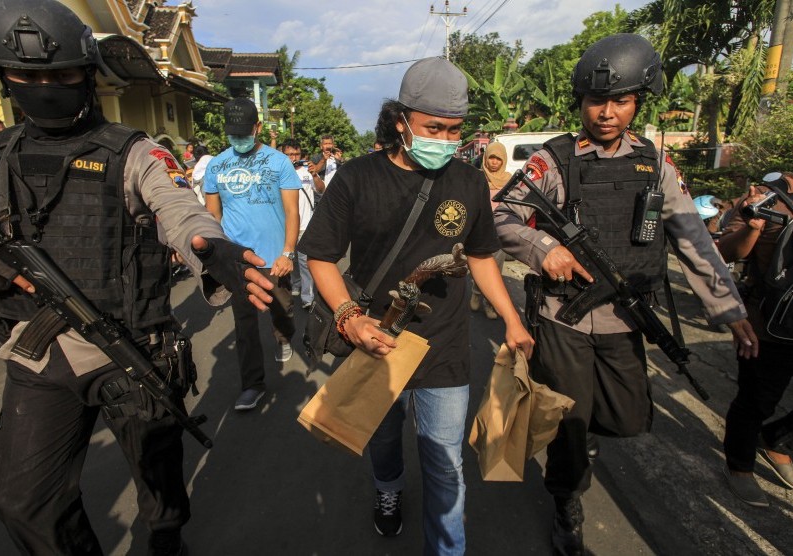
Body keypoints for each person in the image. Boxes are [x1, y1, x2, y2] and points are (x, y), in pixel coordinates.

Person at [0, 1, 273, 554]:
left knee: (158, 482)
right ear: (3, 78)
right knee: (20, 496)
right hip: (38, 354)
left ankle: (166, 537)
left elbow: (180, 211)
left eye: (61, 74)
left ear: (87, 73)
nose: (46, 86)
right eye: (29, 77)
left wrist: (210, 246)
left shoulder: (134, 152)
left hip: (131, 346)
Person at [494, 33, 757, 555]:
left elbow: (693, 239)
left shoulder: (655, 165)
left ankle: (582, 436)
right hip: (563, 317)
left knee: (628, 417)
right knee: (569, 428)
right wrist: (542, 245)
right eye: (597, 100)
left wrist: (729, 311)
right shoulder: (555, 161)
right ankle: (567, 500)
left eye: (621, 100)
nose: (607, 112)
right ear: (582, 103)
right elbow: (501, 215)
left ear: (639, 102)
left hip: (625, 317)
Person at [299, 57, 534, 554]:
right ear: (401, 120)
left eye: (454, 130)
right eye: (434, 128)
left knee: (446, 463)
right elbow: (319, 256)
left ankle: (447, 549)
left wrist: (512, 320)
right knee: (383, 440)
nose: (446, 141)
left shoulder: (468, 183)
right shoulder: (357, 178)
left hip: (444, 344)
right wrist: (349, 317)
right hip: (376, 339)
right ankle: (388, 490)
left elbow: (483, 256)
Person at [203, 97, 300, 411]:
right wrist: (217, 260)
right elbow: (212, 217)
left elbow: (291, 211)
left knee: (281, 311)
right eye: (234, 134)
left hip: (275, 258)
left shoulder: (279, 162)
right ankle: (252, 385)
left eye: (245, 132)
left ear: (258, 128)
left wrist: (288, 253)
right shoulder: (216, 166)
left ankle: (283, 337)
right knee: (244, 325)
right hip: (239, 263)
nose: (239, 139)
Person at [720, 173, 793, 506]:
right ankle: (740, 467)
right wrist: (753, 225)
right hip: (768, 326)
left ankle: (777, 440)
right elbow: (723, 251)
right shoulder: (765, 195)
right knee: (757, 400)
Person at [470, 141, 511, 319]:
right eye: (492, 157)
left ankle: (488, 302)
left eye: (498, 159)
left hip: (500, 228)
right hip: (479, 228)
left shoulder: (509, 180)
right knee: (481, 263)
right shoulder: (477, 177)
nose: (494, 162)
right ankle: (476, 293)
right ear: (486, 158)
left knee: (496, 267)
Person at [282, 138, 324, 309]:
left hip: (306, 225)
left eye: (296, 154)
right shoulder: (278, 171)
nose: (293, 157)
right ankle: (296, 284)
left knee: (306, 263)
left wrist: (314, 174)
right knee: (291, 261)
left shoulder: (307, 171)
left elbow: (321, 190)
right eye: (289, 154)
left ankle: (307, 298)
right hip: (286, 227)